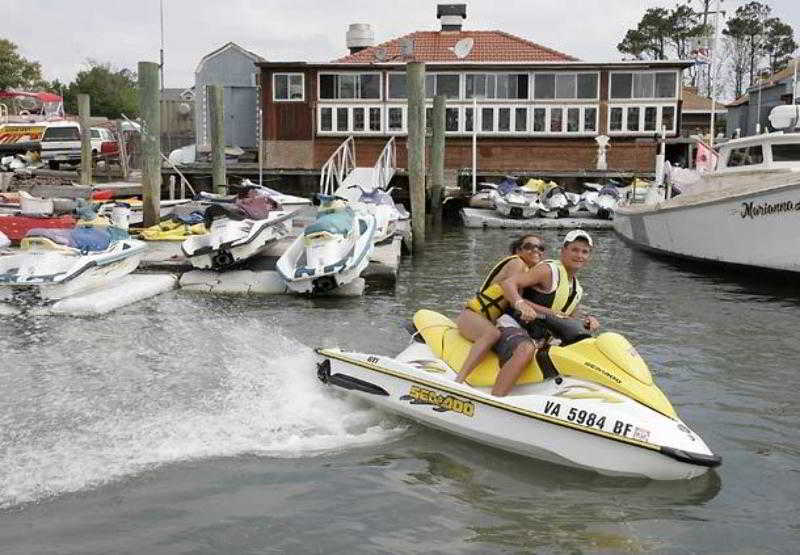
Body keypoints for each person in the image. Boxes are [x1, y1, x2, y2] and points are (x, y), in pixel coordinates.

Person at [491, 229, 599, 396]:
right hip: (512, 326)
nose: (580, 255)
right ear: (563, 251)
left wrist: (588, 321)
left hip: (539, 338)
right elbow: (509, 283)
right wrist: (520, 303)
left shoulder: (577, 289)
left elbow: (567, 319)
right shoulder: (548, 271)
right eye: (575, 250)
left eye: (585, 252)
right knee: (525, 349)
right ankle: (495, 399)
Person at [454, 234, 546, 383]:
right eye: (529, 246)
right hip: (471, 315)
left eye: (540, 247)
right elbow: (513, 296)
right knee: (492, 334)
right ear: (518, 251)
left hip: (484, 319)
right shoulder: (517, 263)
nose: (535, 250)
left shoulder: (528, 273)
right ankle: (459, 379)